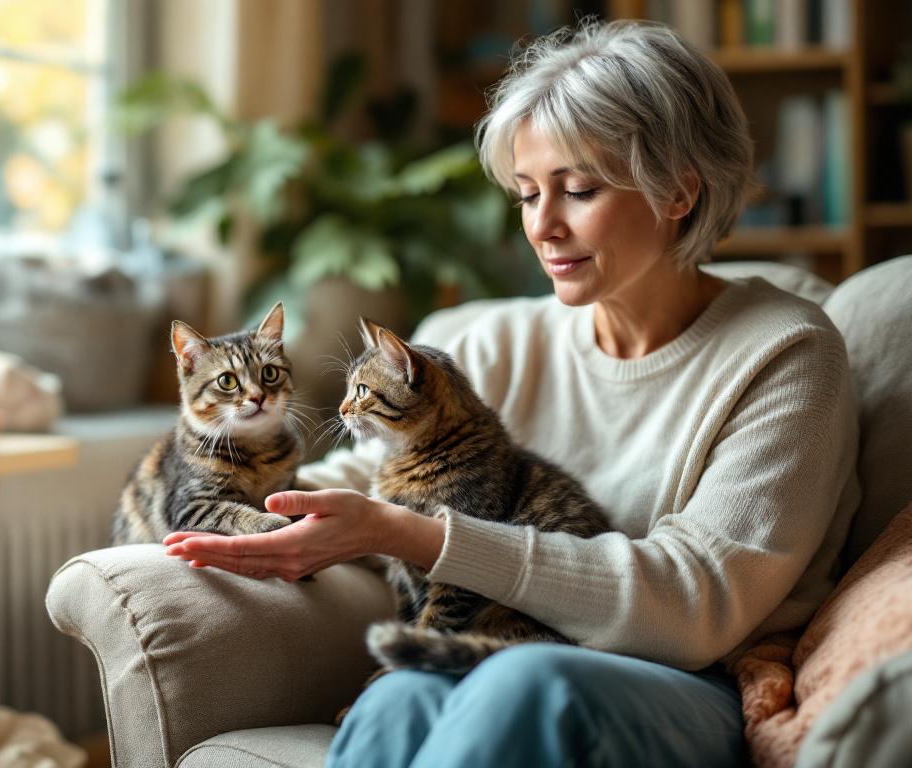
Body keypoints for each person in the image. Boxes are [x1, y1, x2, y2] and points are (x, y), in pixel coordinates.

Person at [164, 18, 860, 768]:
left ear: (679, 192)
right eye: (528, 195)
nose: (544, 227)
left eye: (579, 190)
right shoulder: (492, 344)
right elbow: (356, 482)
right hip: (504, 647)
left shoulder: (786, 351)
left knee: (527, 682)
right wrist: (225, 492)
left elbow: (697, 607)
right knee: (401, 694)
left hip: (694, 684)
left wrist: (408, 533)